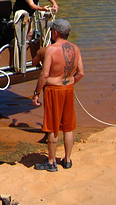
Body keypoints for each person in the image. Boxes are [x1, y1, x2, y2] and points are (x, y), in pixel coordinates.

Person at [31, 18, 84, 172]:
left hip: (54, 90)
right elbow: (81, 73)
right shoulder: (76, 49)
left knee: (53, 127)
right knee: (68, 127)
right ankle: (67, 160)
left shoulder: (51, 50)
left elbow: (44, 75)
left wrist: (36, 93)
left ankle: (52, 162)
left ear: (55, 32)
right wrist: (69, 82)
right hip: (68, 89)